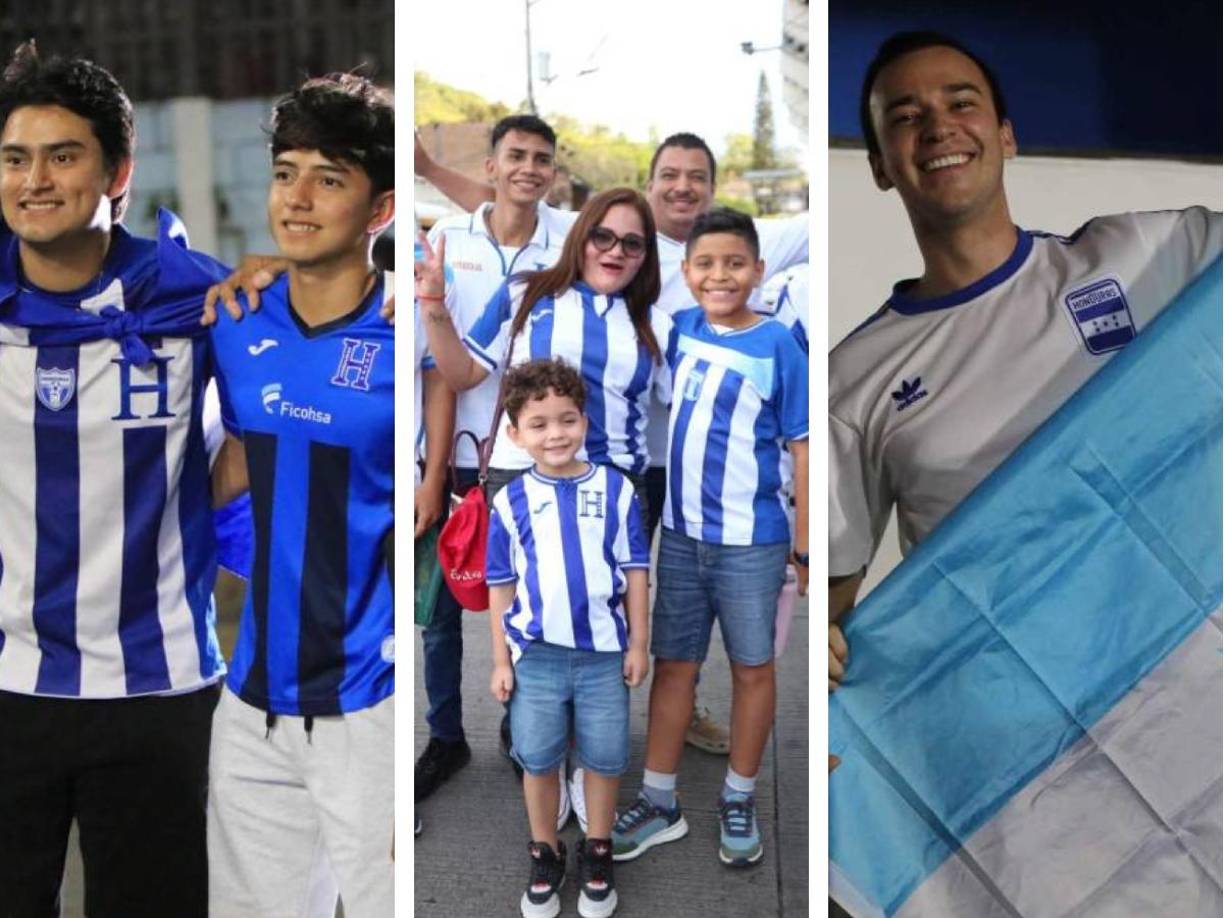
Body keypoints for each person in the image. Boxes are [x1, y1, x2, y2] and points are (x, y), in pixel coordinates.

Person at [828, 31, 1222, 687]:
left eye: (961, 104)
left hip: (1194, 667)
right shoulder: (853, 380)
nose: (938, 129)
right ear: (879, 165)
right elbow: (835, 607)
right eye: (905, 117)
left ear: (1006, 135)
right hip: (1024, 721)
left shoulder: (1150, 255)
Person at [0, 42, 230, 917]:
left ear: (117, 171)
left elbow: (285, 407)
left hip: (156, 691)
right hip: (7, 685)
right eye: (16, 158)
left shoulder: (202, 304)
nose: (36, 180)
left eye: (64, 156)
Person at [206, 71, 397, 917]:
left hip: (370, 709)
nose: (299, 196)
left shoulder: (411, 341)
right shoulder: (232, 316)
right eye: (287, 172)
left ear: (380, 208)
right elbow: (235, 470)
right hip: (249, 703)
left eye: (331, 177)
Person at [612, 208, 809, 868]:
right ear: (687, 273)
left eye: (734, 263)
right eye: (705, 264)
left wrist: (802, 545)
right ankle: (660, 800)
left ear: (757, 270)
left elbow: (804, 448)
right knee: (674, 666)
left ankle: (739, 795)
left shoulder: (779, 345)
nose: (719, 275)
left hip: (751, 542)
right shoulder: (682, 329)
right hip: (681, 535)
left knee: (753, 669)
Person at [415, 113, 571, 807]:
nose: (528, 169)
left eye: (541, 159)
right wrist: (431, 474)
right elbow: (437, 370)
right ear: (491, 163)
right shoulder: (446, 240)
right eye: (516, 156)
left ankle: (520, 730)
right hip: (450, 458)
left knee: (523, 607)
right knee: (443, 609)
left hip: (526, 463)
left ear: (553, 171)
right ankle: (445, 734)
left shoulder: (566, 244)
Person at [485, 356, 649, 918]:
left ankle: (597, 848)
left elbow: (635, 571)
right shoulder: (508, 502)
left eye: (567, 419)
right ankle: (545, 850)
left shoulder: (616, 489)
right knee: (538, 757)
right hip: (537, 657)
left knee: (605, 756)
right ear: (515, 434)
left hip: (604, 653)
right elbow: (500, 587)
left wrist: (638, 642)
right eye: (539, 423)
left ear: (585, 421)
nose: (555, 433)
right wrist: (501, 660)